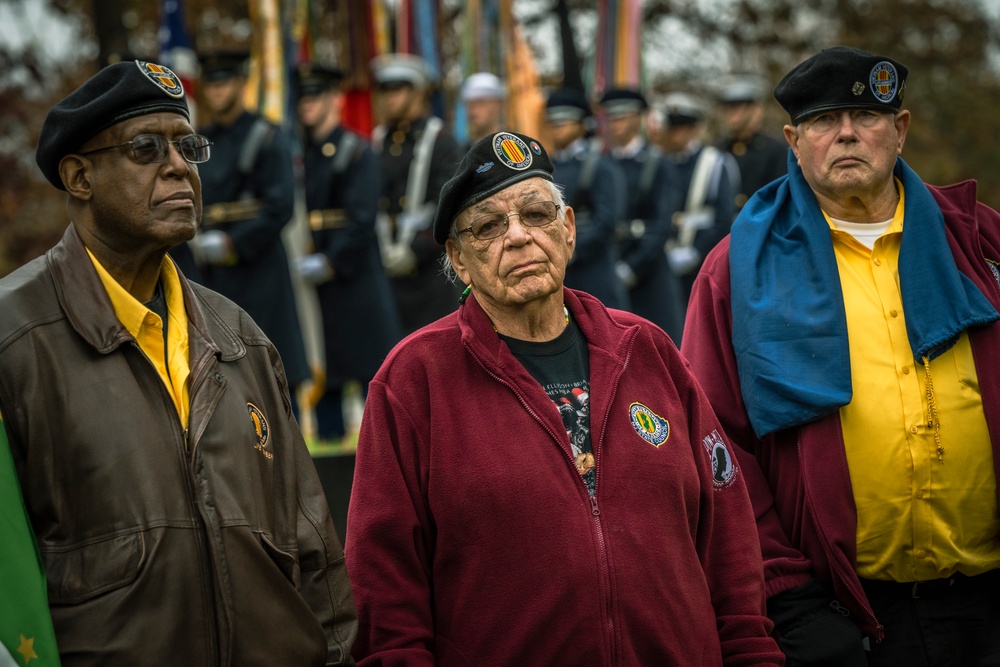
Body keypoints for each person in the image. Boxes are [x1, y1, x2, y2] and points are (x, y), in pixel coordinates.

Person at [345, 130, 785, 665]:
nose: (518, 237)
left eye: (536, 215)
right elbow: (385, 592)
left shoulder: (647, 350)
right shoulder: (413, 380)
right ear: (459, 261)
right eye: (488, 226)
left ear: (569, 230)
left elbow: (731, 547)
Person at [6, 59, 356, 664]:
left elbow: (314, 553)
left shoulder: (239, 334)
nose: (179, 167)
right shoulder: (14, 340)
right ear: (79, 177)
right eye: (146, 149)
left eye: (188, 146)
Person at [682, 45, 1000, 666]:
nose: (847, 133)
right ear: (794, 140)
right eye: (825, 120)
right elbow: (715, 444)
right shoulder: (737, 270)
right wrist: (786, 594)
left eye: (866, 115)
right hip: (846, 618)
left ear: (900, 129)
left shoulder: (981, 241)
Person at [173, 49, 311, 392]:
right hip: (212, 275)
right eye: (212, 84)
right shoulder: (197, 141)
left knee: (271, 368)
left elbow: (282, 207)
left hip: (262, 270)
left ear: (241, 84)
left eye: (225, 82)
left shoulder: (267, 136)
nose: (218, 91)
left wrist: (234, 242)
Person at [295, 63, 404, 443]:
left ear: (336, 100)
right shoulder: (303, 154)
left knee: (373, 380)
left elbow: (361, 219)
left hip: (356, 283)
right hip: (318, 288)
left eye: (316, 96)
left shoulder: (357, 151)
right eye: (303, 98)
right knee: (326, 377)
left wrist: (330, 260)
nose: (307, 104)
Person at [371, 53, 464, 335]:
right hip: (386, 270)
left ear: (418, 92)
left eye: (398, 89)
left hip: (430, 275)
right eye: (386, 90)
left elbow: (447, 205)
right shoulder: (378, 142)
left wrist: (415, 250)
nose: (390, 98)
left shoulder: (442, 142)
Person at [598, 86, 686, 342]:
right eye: (611, 119)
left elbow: (662, 225)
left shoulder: (658, 164)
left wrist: (633, 267)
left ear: (638, 119)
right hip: (612, 265)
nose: (615, 125)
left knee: (661, 346)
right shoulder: (601, 164)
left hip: (651, 270)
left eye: (622, 118)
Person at [544, 87, 629, 310]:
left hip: (594, 270)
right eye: (553, 123)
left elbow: (607, 220)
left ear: (582, 125)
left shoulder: (599, 165)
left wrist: (573, 249)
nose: (557, 129)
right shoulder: (547, 167)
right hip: (559, 268)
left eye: (564, 122)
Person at [657, 92, 739, 303]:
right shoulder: (660, 162)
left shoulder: (714, 162)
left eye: (680, 128)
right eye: (671, 129)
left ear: (693, 129)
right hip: (664, 259)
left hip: (703, 258)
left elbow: (723, 217)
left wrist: (697, 252)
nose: (673, 135)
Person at [715, 74, 788, 210]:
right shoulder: (716, 151)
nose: (732, 113)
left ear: (757, 110)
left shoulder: (775, 151)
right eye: (729, 106)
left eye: (738, 106)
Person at [460, 71, 504, 146]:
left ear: (497, 105)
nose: (473, 111)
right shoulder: (461, 152)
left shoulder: (513, 147)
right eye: (469, 104)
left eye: (480, 102)